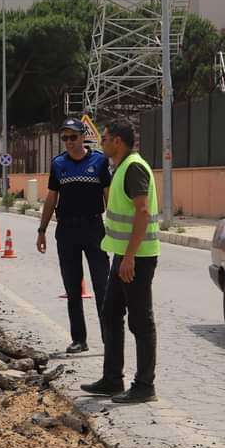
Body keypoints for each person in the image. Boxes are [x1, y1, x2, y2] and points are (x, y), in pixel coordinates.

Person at [80, 120, 160, 404]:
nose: (101, 143)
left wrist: (129, 257)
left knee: (140, 320)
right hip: (123, 256)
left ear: (117, 141)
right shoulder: (121, 167)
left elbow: (142, 212)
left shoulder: (134, 168)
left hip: (136, 257)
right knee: (111, 313)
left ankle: (144, 385)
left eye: (105, 139)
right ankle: (112, 379)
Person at [36, 118, 112, 354]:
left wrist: (117, 229)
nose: (69, 142)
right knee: (72, 287)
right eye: (65, 138)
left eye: (73, 137)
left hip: (94, 229)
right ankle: (79, 339)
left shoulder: (99, 161)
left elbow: (109, 195)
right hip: (66, 230)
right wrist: (42, 230)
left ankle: (110, 338)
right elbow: (51, 198)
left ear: (83, 137)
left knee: (102, 286)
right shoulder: (58, 164)